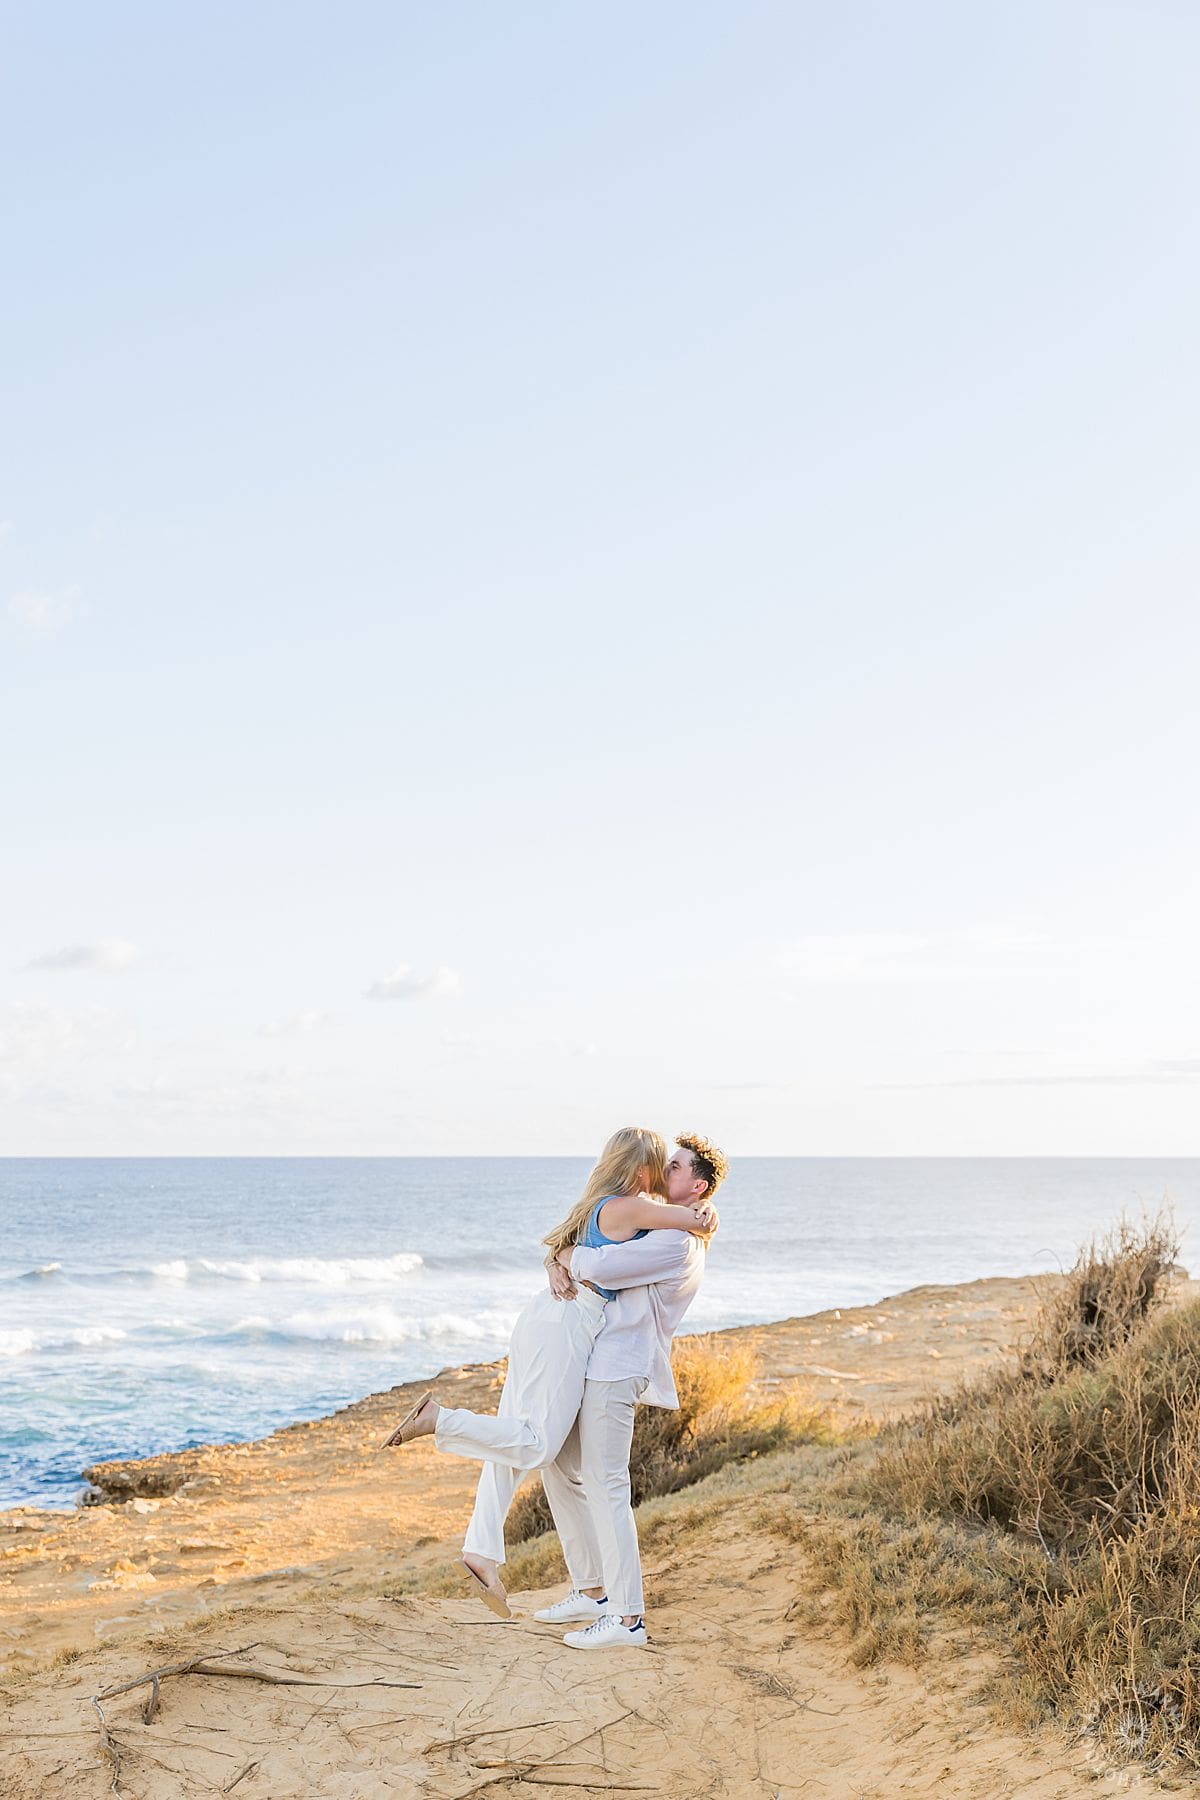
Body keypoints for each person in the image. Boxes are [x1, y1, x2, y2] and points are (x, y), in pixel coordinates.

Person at [378, 1126, 715, 1619]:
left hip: (546, 1319)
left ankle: (482, 1553)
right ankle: (440, 1420)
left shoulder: (608, 1205)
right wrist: (704, 1215)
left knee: (526, 1445)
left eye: (677, 1166)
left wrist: (557, 1257)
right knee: (537, 1444)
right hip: (568, 1325)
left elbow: (579, 1249)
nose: (667, 1173)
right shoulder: (637, 1209)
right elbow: (667, 1231)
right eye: (663, 1164)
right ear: (641, 1170)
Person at [535, 1132, 727, 1650]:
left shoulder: (676, 1240)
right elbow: (592, 1254)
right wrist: (557, 1260)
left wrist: (567, 1256)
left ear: (699, 1185)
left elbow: (598, 1267)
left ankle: (626, 1620)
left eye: (678, 1166)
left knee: (607, 1483)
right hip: (598, 1359)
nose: (666, 1169)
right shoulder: (660, 1224)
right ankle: (592, 1588)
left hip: (619, 1367)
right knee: (558, 1462)